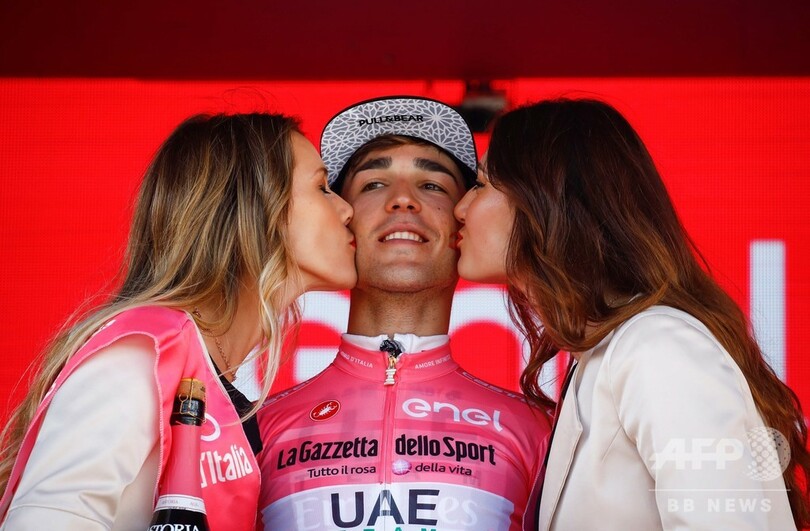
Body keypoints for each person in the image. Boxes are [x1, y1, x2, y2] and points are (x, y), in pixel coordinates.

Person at [453, 97, 810, 530]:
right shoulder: (603, 357)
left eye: (481, 184)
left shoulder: (657, 347)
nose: (460, 209)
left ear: (544, 200)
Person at [0, 112, 357, 530]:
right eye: (321, 187)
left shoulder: (203, 365)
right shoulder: (143, 353)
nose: (347, 209)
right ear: (256, 209)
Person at [255, 96, 552, 531]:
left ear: (464, 222)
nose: (402, 200)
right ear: (341, 219)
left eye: (432, 186)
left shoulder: (538, 432)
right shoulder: (255, 429)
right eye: (374, 184)